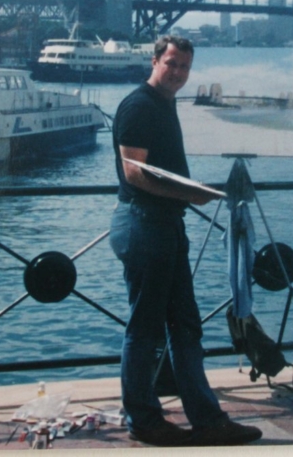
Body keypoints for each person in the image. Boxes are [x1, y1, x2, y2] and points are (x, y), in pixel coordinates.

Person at [109, 35, 263, 447]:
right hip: (144, 225)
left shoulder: (166, 104)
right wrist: (192, 194)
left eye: (184, 67)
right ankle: (142, 420)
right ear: (155, 61)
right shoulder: (139, 106)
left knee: (185, 326)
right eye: (171, 64)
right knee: (145, 329)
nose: (178, 73)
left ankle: (207, 419)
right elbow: (135, 174)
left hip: (165, 225)